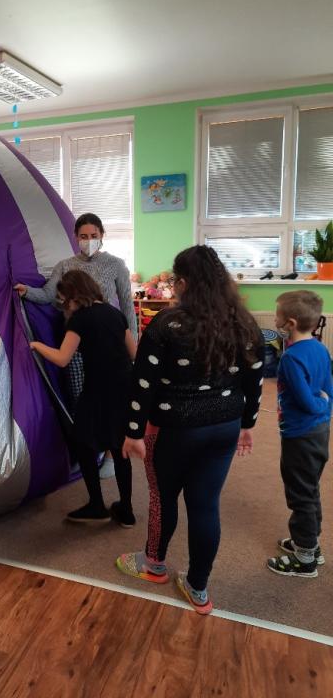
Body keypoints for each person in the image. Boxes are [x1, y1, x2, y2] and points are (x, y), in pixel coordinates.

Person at [115, 245, 264, 614]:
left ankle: (154, 565)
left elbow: (142, 383)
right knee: (205, 505)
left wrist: (133, 432)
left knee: (163, 498)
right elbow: (254, 380)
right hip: (225, 426)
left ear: (182, 283)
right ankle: (198, 587)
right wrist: (247, 424)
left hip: (175, 429)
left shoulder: (167, 324)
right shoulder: (244, 323)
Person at [15, 213, 137, 479]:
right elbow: (48, 295)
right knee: (80, 400)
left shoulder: (116, 265)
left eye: (93, 236)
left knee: (109, 400)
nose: (88, 241)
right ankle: (89, 450)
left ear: (102, 236)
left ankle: (110, 454)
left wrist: (132, 347)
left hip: (106, 339)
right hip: (74, 338)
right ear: (76, 238)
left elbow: (127, 306)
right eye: (83, 236)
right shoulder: (65, 265)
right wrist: (27, 292)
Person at [30, 270, 137, 525]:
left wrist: (36, 345)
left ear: (73, 295)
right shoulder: (115, 313)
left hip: (98, 388)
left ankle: (96, 505)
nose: (63, 304)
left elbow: (62, 358)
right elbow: (134, 353)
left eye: (63, 298)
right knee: (119, 447)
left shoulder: (79, 319)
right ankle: (126, 510)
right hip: (124, 387)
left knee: (82, 441)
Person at [266, 291, 332, 578]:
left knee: (300, 494)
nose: (275, 320)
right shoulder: (320, 348)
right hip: (319, 431)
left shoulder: (291, 358)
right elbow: (329, 389)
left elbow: (308, 401)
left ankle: (305, 559)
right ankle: (310, 544)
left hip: (300, 435)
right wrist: (325, 406)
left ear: (290, 323)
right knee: (310, 487)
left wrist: (320, 405)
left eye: (277, 316)